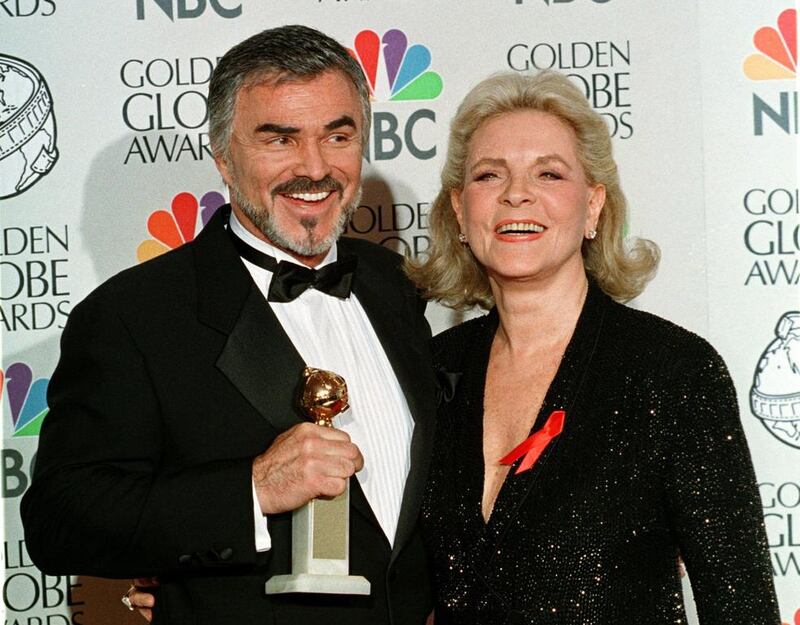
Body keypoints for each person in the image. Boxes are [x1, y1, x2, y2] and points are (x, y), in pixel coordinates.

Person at [20, 25, 435, 625]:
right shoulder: (133, 318)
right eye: (280, 140)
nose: (314, 168)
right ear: (222, 155)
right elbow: (62, 520)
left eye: (337, 136)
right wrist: (253, 488)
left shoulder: (396, 286)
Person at [406, 71, 781, 624]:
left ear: (593, 206)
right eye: (490, 175)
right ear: (460, 211)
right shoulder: (435, 368)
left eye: (549, 173)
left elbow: (742, 607)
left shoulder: (672, 372)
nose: (517, 194)